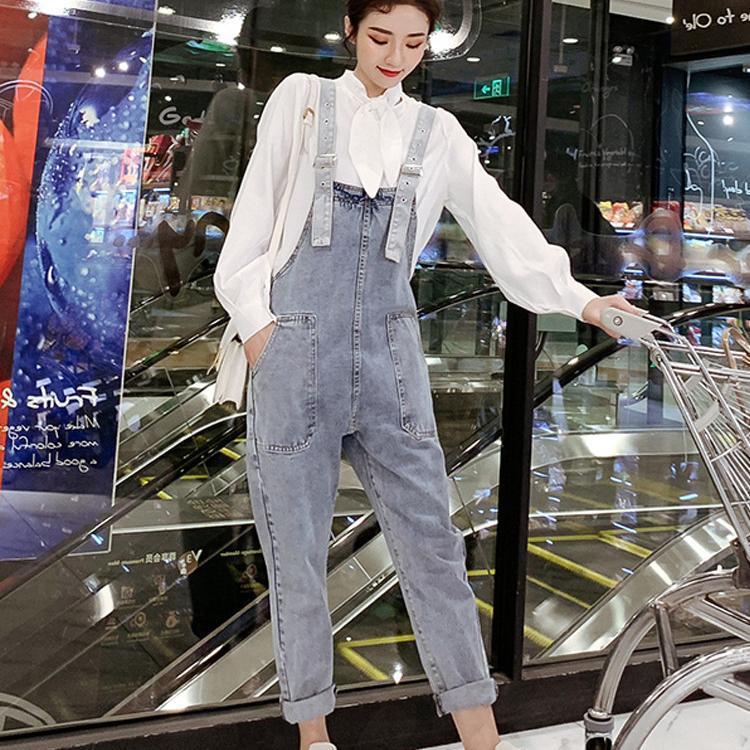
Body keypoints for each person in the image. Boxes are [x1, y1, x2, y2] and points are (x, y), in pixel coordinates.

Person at [213, 2, 640, 749]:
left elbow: (498, 223)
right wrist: (257, 328)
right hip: (294, 352)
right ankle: (314, 738)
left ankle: (482, 737)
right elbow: (251, 223)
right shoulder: (301, 101)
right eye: (381, 38)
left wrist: (581, 300)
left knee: (434, 545)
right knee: (296, 552)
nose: (396, 56)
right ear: (351, 30)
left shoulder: (437, 132)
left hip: (391, 356)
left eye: (414, 43)